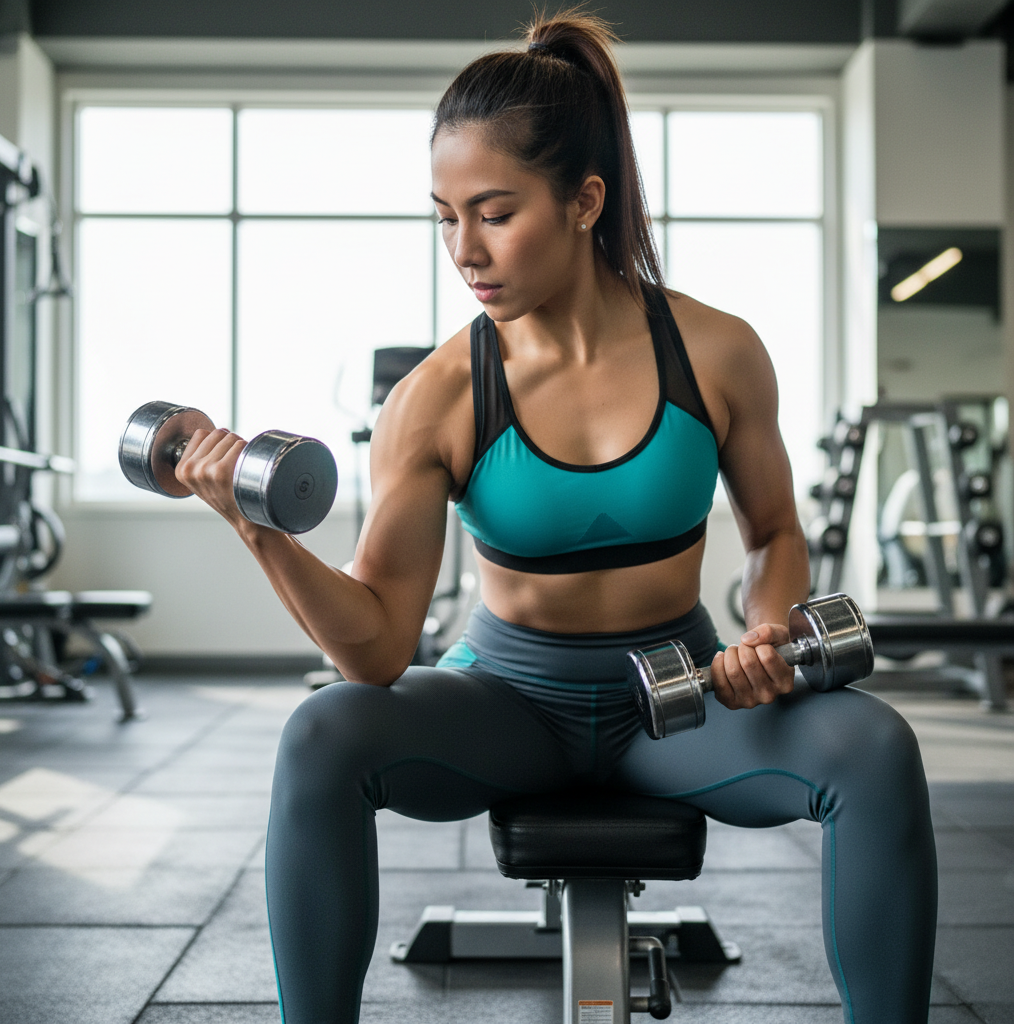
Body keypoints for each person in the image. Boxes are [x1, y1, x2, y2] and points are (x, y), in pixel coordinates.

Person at [175, 11, 937, 1023]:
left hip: (683, 698)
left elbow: (772, 536)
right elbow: (374, 648)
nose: (463, 249)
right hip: (506, 703)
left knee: (876, 748)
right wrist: (255, 526)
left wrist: (773, 628)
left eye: (492, 212)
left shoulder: (715, 352)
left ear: (583, 201)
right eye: (442, 216)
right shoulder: (439, 395)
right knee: (321, 732)